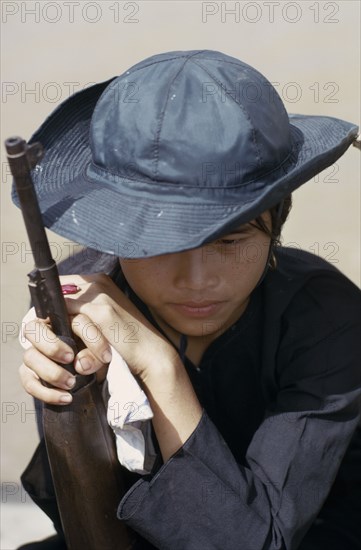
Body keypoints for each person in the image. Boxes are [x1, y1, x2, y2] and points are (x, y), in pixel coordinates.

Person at [14, 50, 360, 550]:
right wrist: (64, 388)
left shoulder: (330, 316)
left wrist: (159, 367)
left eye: (231, 240)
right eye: (164, 243)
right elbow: (84, 515)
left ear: (278, 217)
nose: (198, 280)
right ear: (117, 230)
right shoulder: (78, 299)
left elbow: (259, 542)